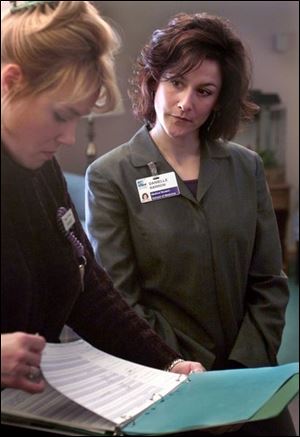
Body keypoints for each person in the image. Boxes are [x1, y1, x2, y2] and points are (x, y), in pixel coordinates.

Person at [86, 12, 296, 436]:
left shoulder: (246, 167)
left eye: (204, 91)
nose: (186, 102)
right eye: (176, 82)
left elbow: (269, 282)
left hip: (251, 384)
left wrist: (241, 372)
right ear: (153, 81)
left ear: (219, 99)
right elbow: (123, 301)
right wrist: (184, 370)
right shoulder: (112, 176)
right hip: (168, 383)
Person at [1, 1, 205, 401]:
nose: (69, 138)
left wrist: (167, 364)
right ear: (10, 82)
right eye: (61, 115)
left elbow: (86, 287)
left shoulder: (41, 171)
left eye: (79, 119)